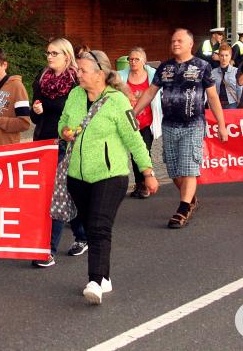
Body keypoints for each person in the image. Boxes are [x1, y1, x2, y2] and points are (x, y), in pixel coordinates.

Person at [58, 49, 158, 305]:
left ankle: (94, 280)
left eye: (82, 70)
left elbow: (134, 139)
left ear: (100, 74)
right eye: (78, 70)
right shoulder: (74, 95)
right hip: (77, 176)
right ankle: (105, 277)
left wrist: (147, 172)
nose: (77, 74)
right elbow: (63, 123)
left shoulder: (117, 101)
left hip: (110, 176)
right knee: (91, 225)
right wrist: (66, 131)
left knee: (100, 226)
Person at [133, 29, 229, 230]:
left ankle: (183, 208)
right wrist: (134, 112)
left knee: (189, 168)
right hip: (169, 126)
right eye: (173, 40)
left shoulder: (202, 66)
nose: (175, 43)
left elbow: (212, 97)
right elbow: (151, 92)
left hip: (193, 125)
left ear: (190, 44)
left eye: (180, 40)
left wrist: (221, 125)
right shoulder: (164, 68)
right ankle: (191, 198)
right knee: (174, 170)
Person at [29, 38, 88, 268]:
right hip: (43, 141)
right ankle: (82, 235)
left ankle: (48, 250)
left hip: (65, 143)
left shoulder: (76, 81)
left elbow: (79, 114)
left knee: (56, 194)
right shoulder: (42, 79)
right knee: (59, 193)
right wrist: (37, 111)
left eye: (55, 53)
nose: (50, 57)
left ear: (66, 55)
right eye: (48, 53)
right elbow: (35, 118)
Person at [118, 47, 163, 197]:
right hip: (129, 122)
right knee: (133, 153)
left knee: (144, 152)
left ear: (144, 61)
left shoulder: (152, 76)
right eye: (130, 59)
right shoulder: (121, 76)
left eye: (136, 59)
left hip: (146, 121)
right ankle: (139, 184)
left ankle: (144, 183)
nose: (133, 62)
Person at [211, 43, 242, 109]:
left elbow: (239, 88)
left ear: (230, 56)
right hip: (217, 104)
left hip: (232, 104)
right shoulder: (213, 72)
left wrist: (240, 103)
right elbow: (210, 89)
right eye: (222, 55)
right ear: (219, 56)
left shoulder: (236, 71)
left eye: (226, 55)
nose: (224, 58)